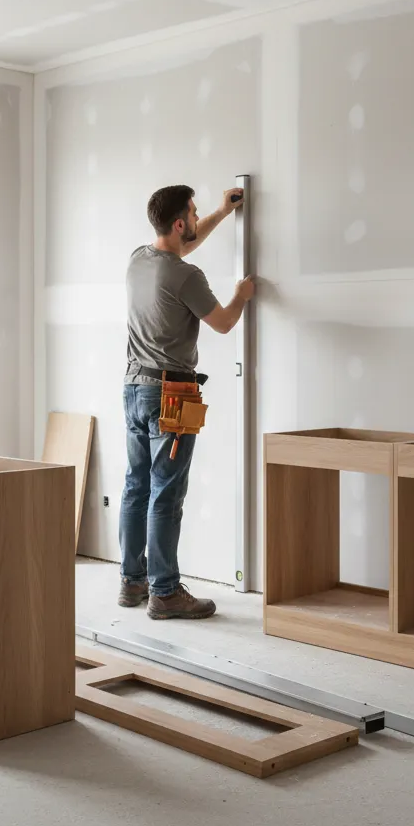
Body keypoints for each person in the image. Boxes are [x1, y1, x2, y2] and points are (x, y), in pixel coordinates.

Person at [118, 184, 256, 619]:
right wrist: (243, 295)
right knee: (166, 493)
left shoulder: (140, 258)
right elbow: (223, 323)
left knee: (137, 486)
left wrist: (219, 212)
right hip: (171, 396)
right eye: (193, 215)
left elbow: (184, 247)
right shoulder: (187, 277)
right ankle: (165, 592)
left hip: (134, 388)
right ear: (179, 223)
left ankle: (132, 581)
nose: (197, 221)